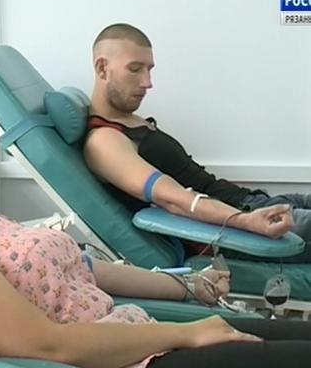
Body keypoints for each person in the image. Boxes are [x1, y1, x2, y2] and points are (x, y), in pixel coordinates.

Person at [0, 93, 311, 368]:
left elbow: (86, 269)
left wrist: (187, 286)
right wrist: (187, 333)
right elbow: (46, 346)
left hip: (139, 343)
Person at [84, 23, 311, 263]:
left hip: (252, 201)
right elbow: (174, 199)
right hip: (235, 229)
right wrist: (245, 221)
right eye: (135, 69)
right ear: (102, 68)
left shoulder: (129, 120)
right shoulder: (103, 141)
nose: (147, 82)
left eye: (149, 70)